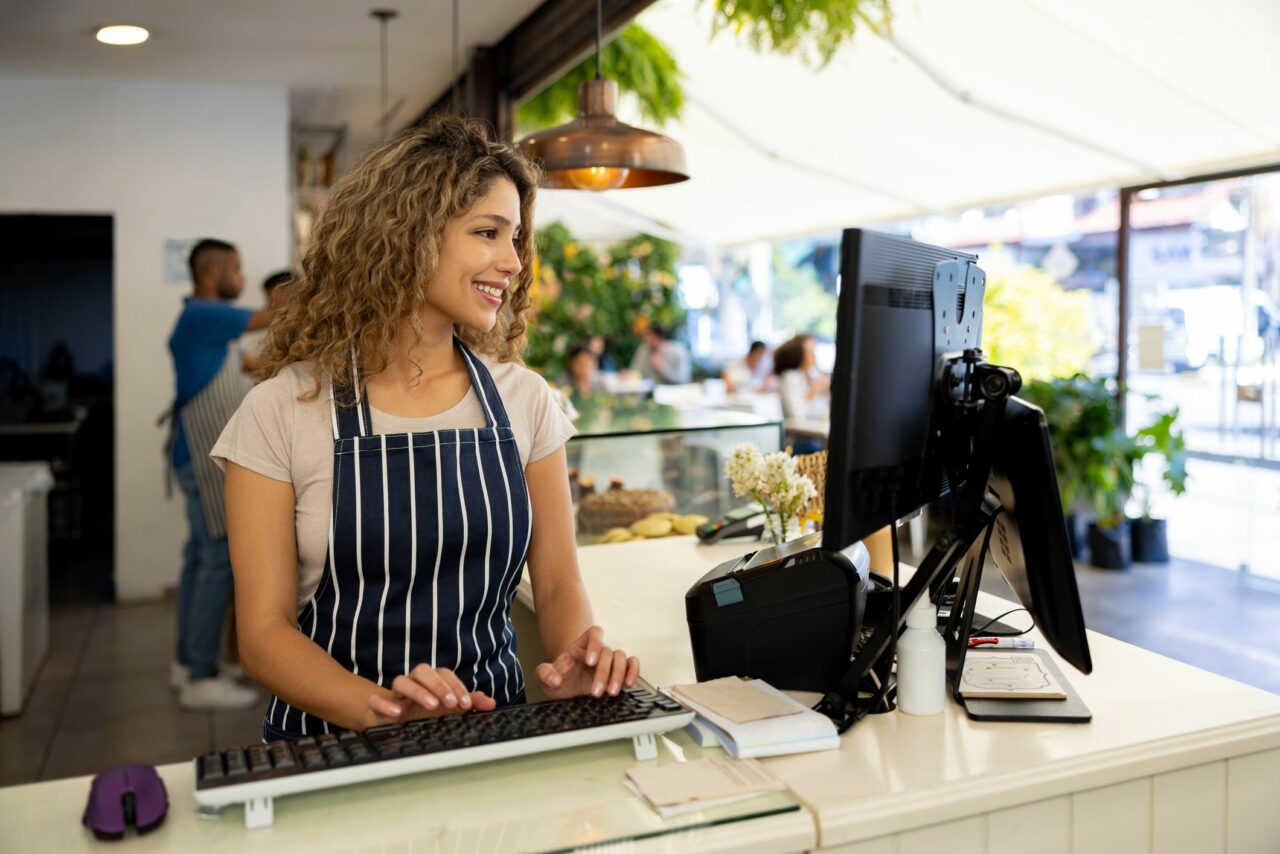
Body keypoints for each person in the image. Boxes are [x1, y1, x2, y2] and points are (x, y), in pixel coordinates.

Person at [212, 117, 641, 741]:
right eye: (488, 233)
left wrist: (576, 665)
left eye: (516, 237)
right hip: (333, 744)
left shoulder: (525, 400)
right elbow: (264, 634)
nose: (514, 262)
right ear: (407, 235)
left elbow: (556, 581)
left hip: (494, 732)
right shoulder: (280, 411)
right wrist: (386, 712)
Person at [166, 238, 271, 710]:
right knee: (215, 563)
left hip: (191, 457)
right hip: (203, 457)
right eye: (236, 268)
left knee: (197, 560)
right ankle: (201, 677)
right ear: (212, 271)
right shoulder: (205, 315)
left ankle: (188, 660)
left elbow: (248, 363)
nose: (241, 278)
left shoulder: (209, 329)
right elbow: (272, 318)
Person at [773, 334, 830, 454]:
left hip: (817, 438)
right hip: (799, 443)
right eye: (810, 351)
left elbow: (824, 412)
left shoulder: (813, 375)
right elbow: (797, 416)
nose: (814, 355)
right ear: (799, 355)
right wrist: (813, 391)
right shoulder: (790, 377)